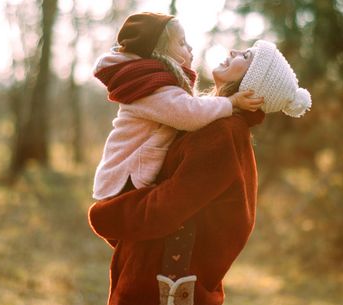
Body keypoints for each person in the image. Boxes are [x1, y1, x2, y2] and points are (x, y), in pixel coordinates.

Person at [89, 40, 312, 305]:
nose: (232, 52)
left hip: (162, 292)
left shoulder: (222, 133)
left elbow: (168, 206)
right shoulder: (210, 121)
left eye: (246, 56)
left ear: (253, 85)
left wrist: (107, 215)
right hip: (157, 281)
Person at [92, 12, 263, 201]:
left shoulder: (154, 84)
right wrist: (232, 102)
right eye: (181, 43)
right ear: (160, 53)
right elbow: (191, 113)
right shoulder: (151, 88)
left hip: (129, 176)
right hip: (125, 178)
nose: (190, 47)